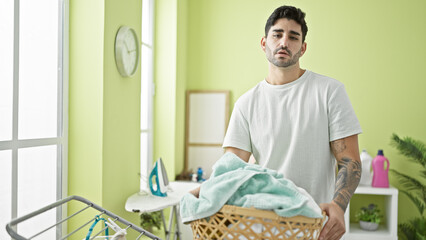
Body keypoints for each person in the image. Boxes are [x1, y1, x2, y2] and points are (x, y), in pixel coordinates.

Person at [191, 5, 362, 240]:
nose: (284, 42)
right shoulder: (246, 103)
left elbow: (350, 160)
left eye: (293, 37)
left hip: (314, 226)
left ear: (302, 48)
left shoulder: (329, 92)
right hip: (262, 228)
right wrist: (198, 195)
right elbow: (231, 173)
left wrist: (339, 206)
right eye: (277, 34)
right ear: (264, 43)